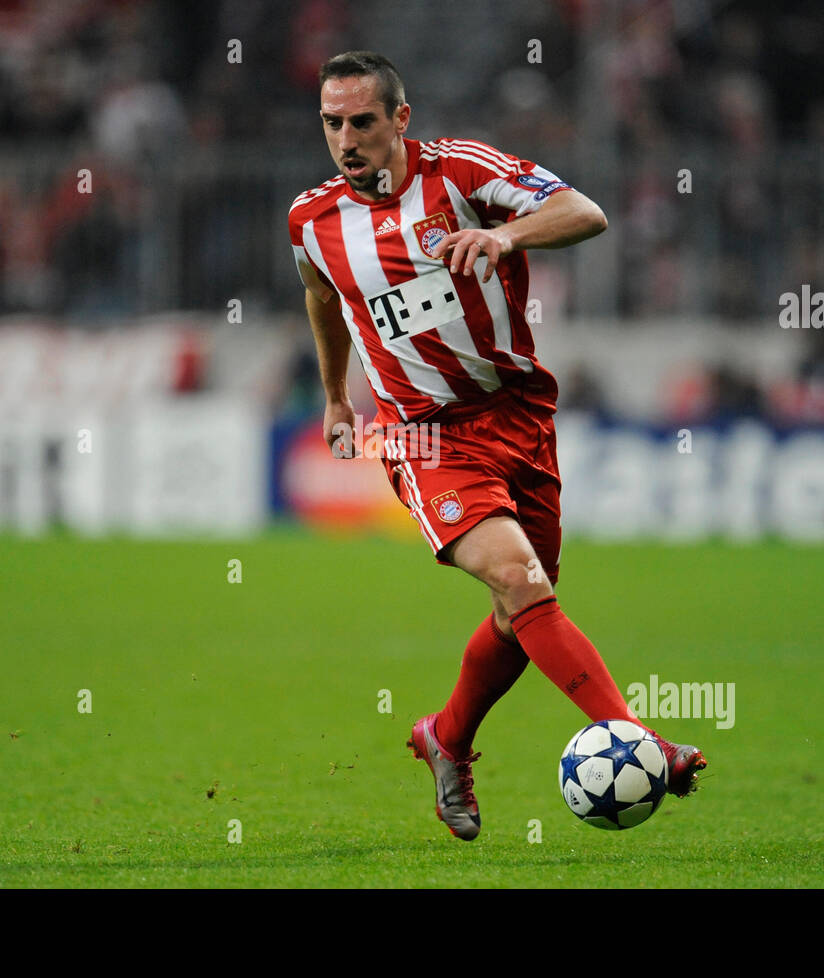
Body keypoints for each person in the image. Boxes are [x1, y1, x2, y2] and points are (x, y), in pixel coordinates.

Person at [289, 51, 706, 840]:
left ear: (400, 119)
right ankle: (641, 741)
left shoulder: (461, 174)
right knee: (519, 579)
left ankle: (445, 739)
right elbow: (320, 295)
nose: (346, 138)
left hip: (518, 417)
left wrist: (506, 237)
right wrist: (336, 396)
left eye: (363, 122)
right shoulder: (312, 221)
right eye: (331, 123)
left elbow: (587, 212)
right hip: (423, 434)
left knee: (523, 613)